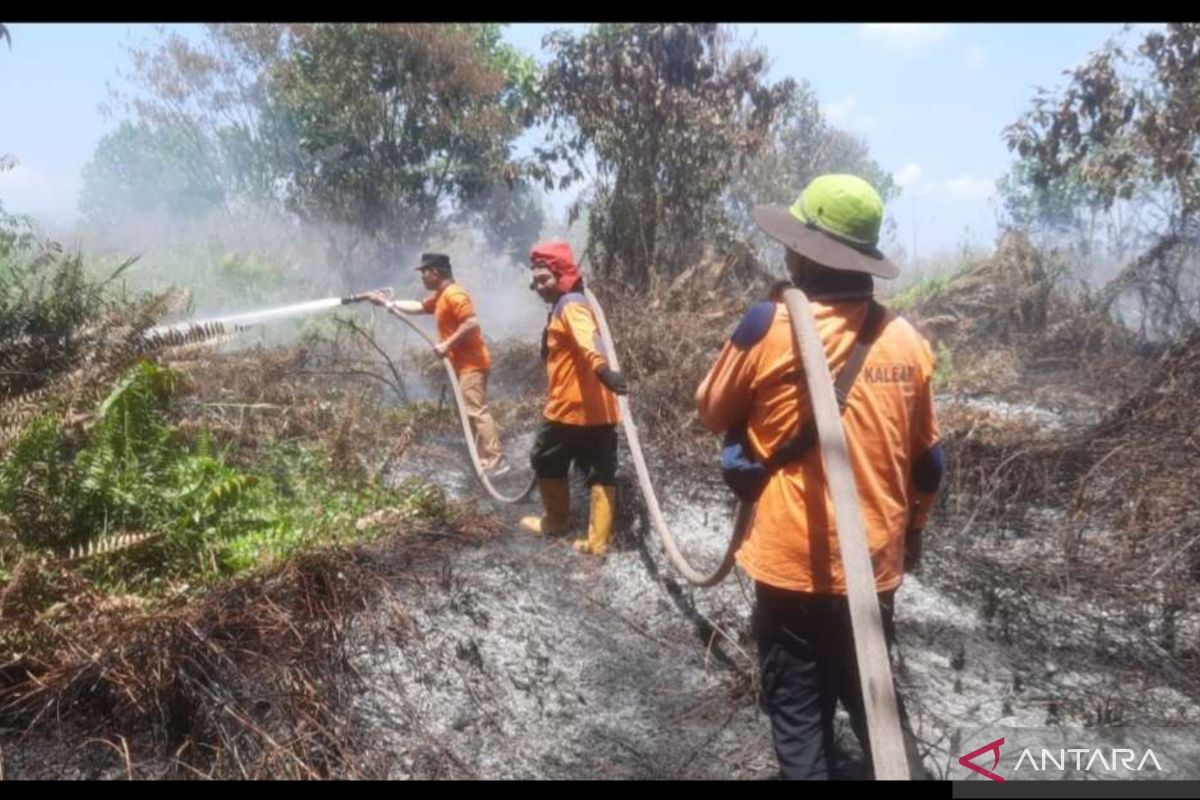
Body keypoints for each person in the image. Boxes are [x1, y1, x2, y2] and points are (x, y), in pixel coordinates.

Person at [695, 174, 945, 779]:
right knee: (875, 705)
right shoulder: (907, 339)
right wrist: (910, 533)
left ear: (802, 250)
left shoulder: (767, 323)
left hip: (792, 569)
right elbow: (929, 463)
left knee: (800, 718)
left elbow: (710, 410)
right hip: (876, 564)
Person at [519, 240, 627, 558]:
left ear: (562, 274)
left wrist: (604, 370)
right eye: (536, 281)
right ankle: (598, 543)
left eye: (545, 279)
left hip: (569, 409)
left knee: (545, 458)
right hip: (601, 410)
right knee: (601, 470)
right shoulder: (567, 304)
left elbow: (587, 340)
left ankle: (556, 521)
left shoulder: (571, 304)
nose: (539, 287)